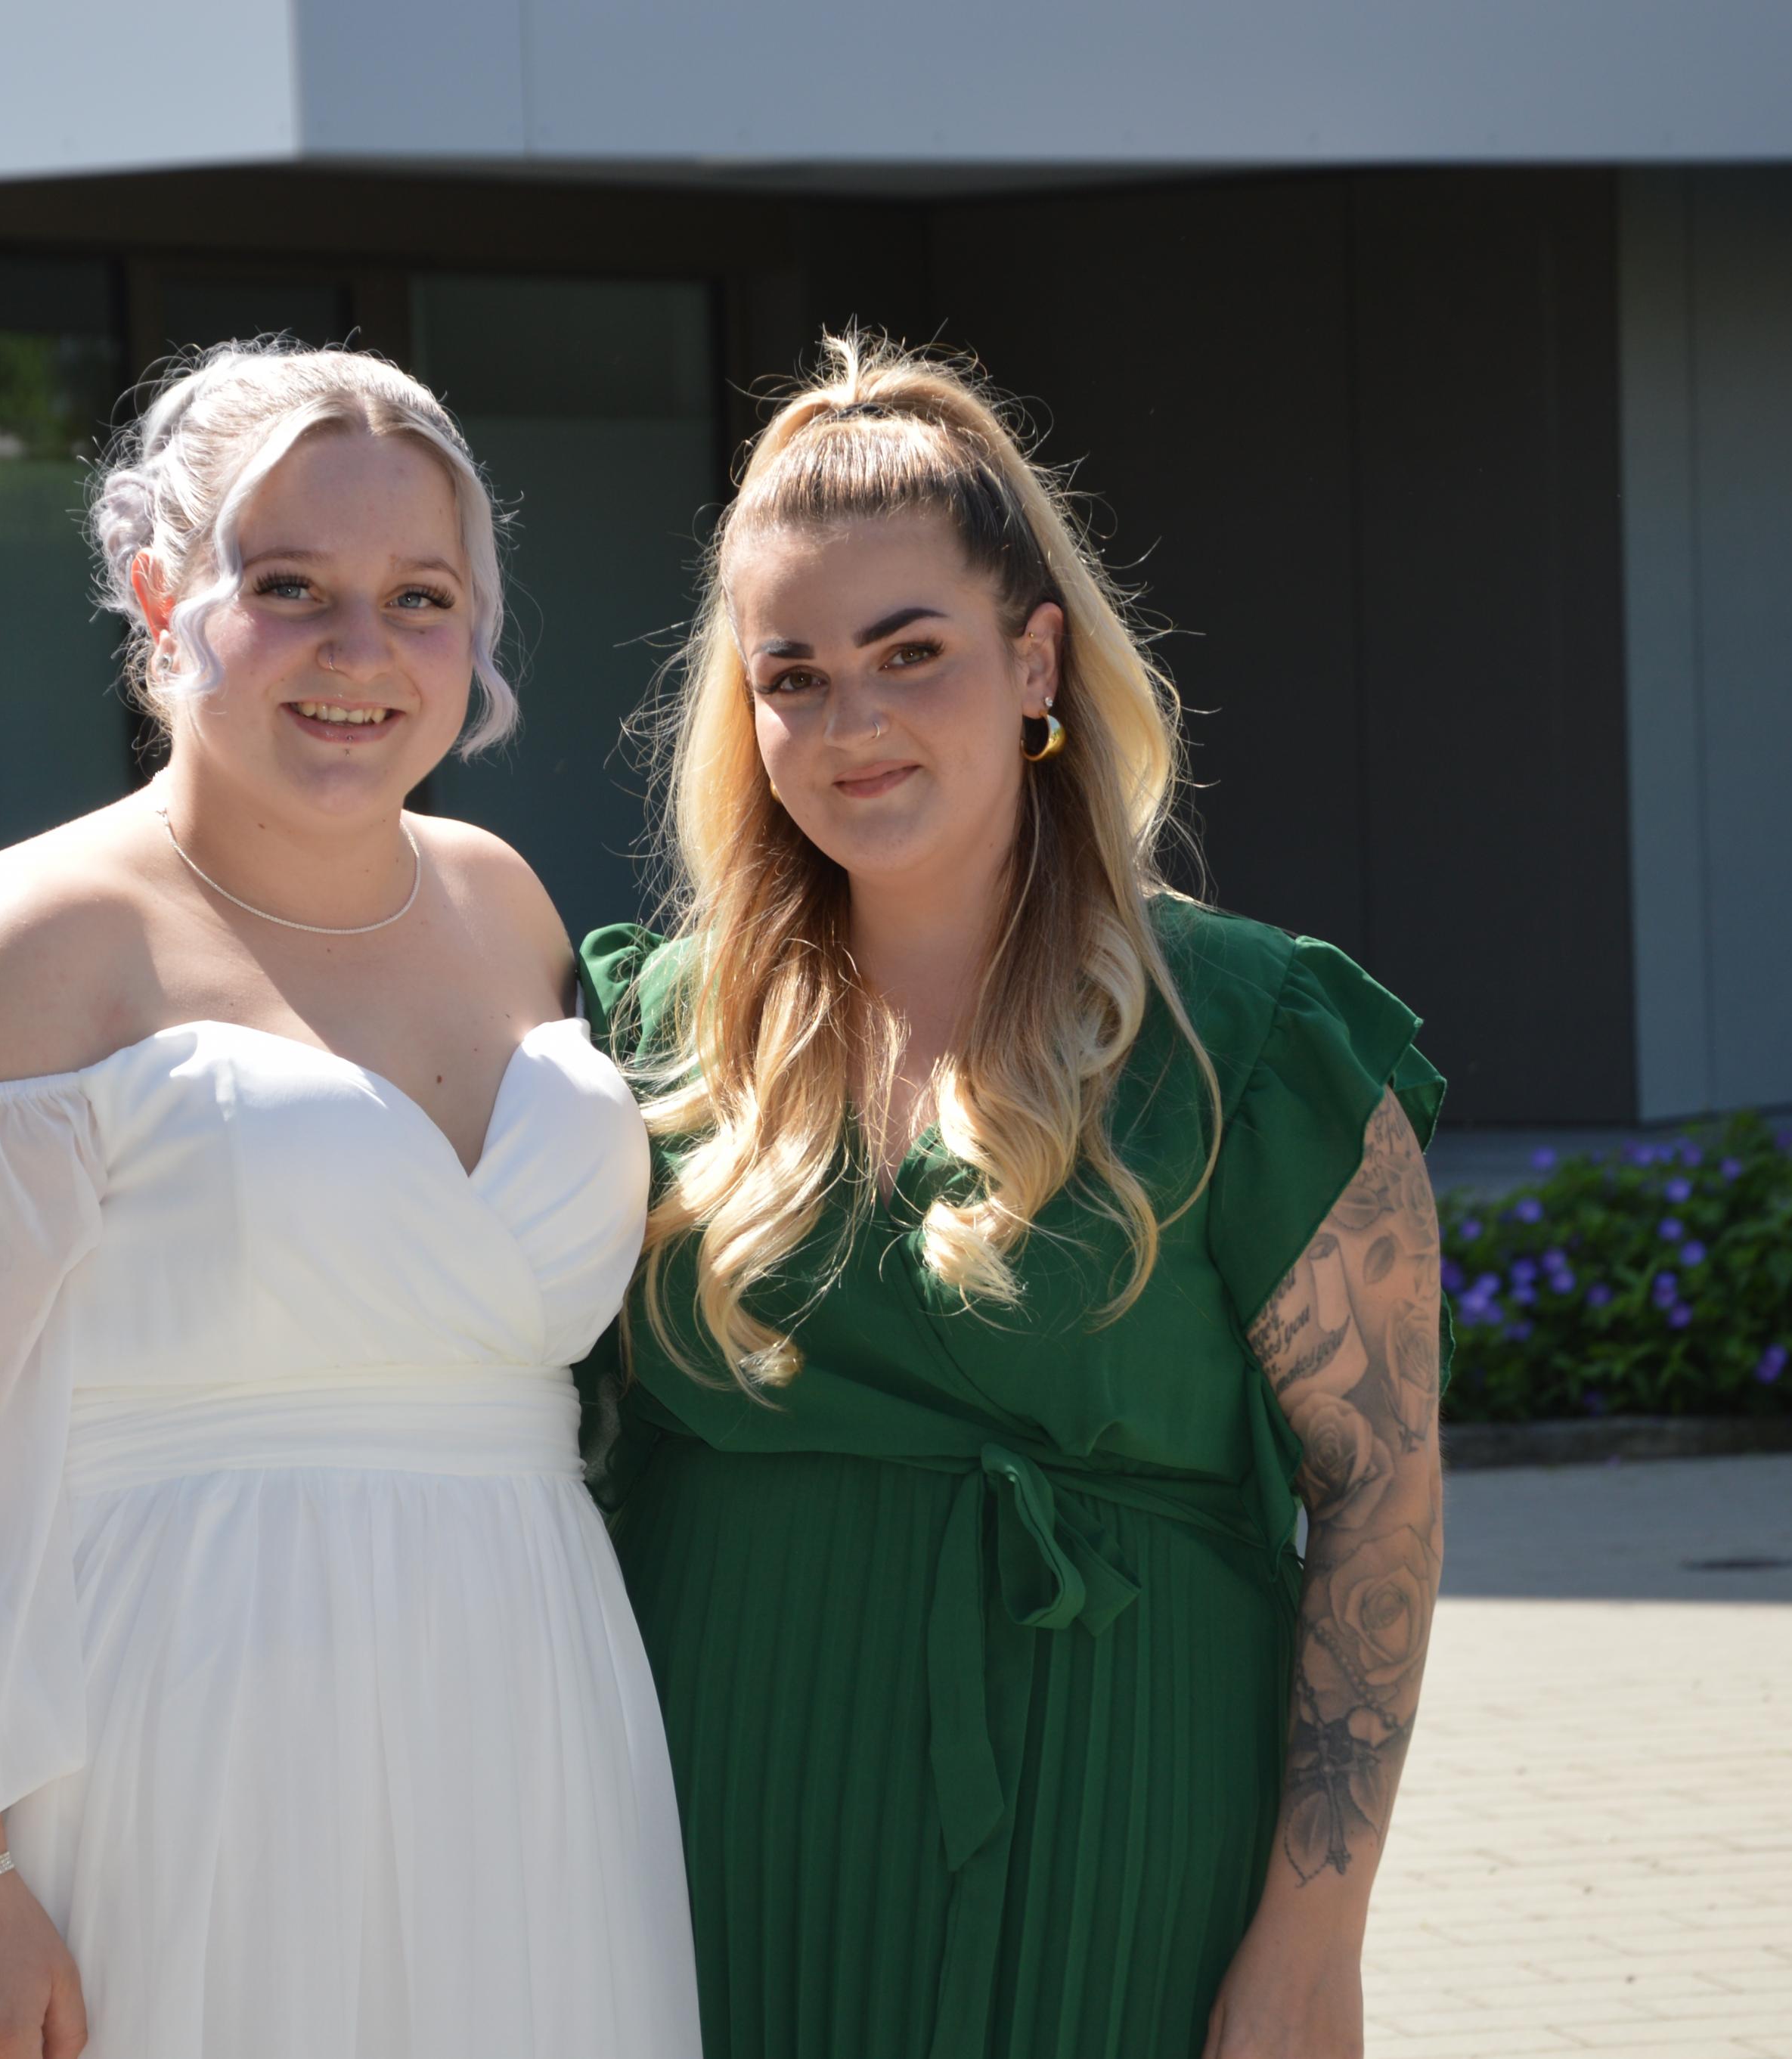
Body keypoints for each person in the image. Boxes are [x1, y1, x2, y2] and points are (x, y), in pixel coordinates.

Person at [0, 340, 699, 2059]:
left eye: (418, 598)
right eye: (290, 588)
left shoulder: (506, 904)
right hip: (165, 1753)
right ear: (156, 595)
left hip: (525, 1727)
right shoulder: (32, 943)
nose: (360, 651)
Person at [575, 336, 1447, 2059]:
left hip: (1118, 1828)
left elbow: (1380, 1497)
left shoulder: (1246, 1038)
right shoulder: (650, 1036)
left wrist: (1313, 1938)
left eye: (912, 653)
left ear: (1034, 657)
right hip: (712, 1821)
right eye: (794, 676)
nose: (854, 723)